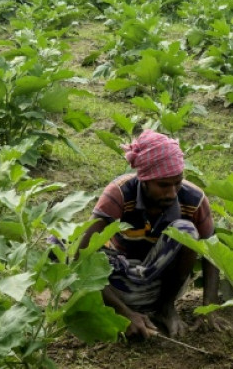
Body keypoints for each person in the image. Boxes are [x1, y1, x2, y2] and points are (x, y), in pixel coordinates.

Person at [79, 129, 220, 339]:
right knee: (61, 246)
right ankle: (124, 308)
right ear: (144, 180)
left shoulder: (194, 199)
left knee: (187, 231)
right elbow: (81, 254)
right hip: (121, 278)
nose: (172, 193)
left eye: (177, 183)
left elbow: (213, 254)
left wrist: (209, 308)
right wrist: (124, 313)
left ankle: (165, 308)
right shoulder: (119, 193)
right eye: (163, 185)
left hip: (163, 284)